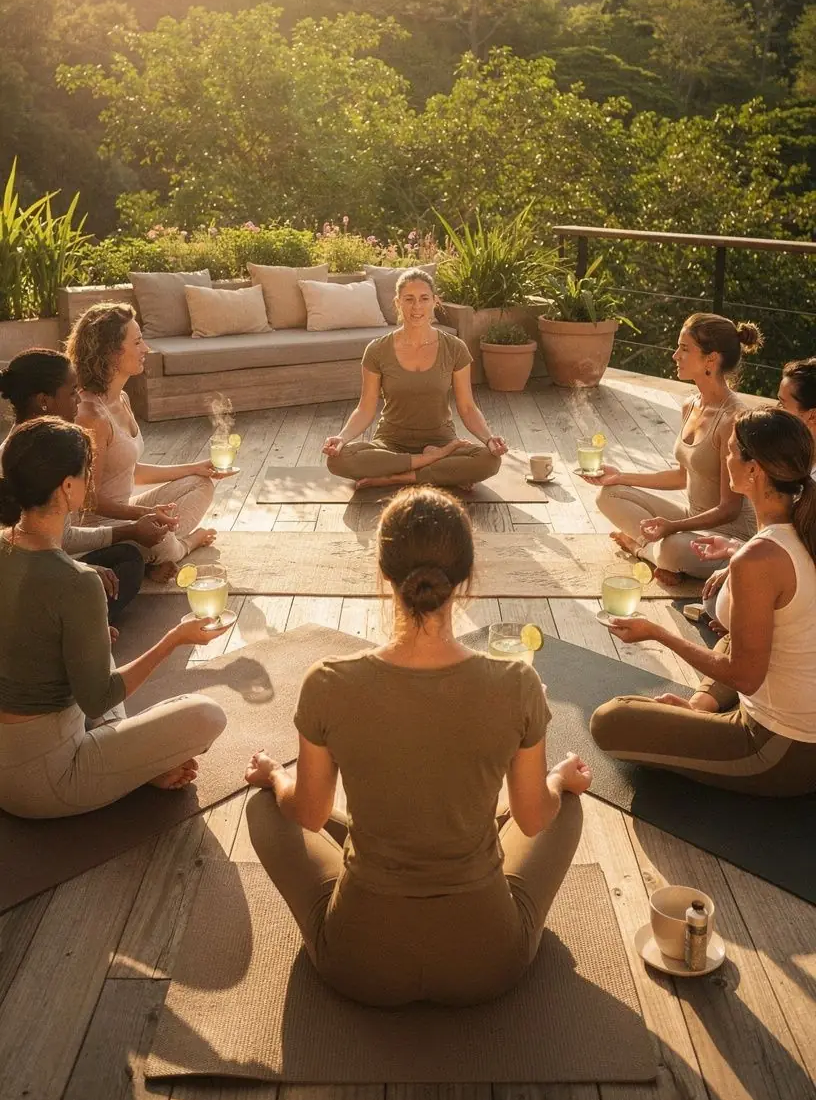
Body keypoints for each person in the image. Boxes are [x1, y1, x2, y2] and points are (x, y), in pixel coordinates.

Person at [243, 486, 590, 1006]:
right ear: (467, 578)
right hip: (488, 961)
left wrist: (273, 776)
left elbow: (310, 813)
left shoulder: (328, 681)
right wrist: (560, 780)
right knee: (565, 809)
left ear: (384, 575)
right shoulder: (516, 681)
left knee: (265, 807)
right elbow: (534, 817)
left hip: (361, 962)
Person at [0, 418, 228, 819]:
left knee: (96, 644)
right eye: (87, 472)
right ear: (67, 487)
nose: (91, 479)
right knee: (207, 714)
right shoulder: (77, 581)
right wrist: (174, 639)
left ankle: (134, 765)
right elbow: (99, 698)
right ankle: (136, 767)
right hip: (47, 781)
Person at [590, 409, 816, 797]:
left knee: (610, 721)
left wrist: (657, 632)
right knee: (734, 634)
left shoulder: (760, 558)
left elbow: (745, 677)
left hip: (780, 749)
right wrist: (735, 549)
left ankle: (701, 709)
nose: (725, 459)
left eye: (731, 452)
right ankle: (701, 705)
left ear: (754, 470)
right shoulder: (801, 527)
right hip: (793, 718)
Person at [586, 313, 763, 582]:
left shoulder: (732, 419)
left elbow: (730, 509)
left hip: (730, 536)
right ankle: (664, 558)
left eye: (684, 348)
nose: (674, 356)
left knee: (671, 548)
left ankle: (645, 551)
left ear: (710, 359)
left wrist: (672, 528)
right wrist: (620, 476)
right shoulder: (690, 405)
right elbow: (682, 476)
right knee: (608, 494)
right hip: (692, 518)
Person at [0, 348, 172, 623]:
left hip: (44, 563)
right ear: (44, 401)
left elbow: (60, 535)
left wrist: (132, 528)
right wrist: (82, 569)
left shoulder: (45, 444)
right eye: (71, 392)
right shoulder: (31, 456)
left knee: (127, 557)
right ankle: (77, 625)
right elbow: (42, 546)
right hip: (25, 581)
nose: (79, 399)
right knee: (124, 564)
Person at [67, 303, 224, 581]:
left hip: (126, 509)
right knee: (164, 542)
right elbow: (87, 502)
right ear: (111, 351)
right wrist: (145, 513)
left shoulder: (122, 400)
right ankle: (182, 546)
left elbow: (129, 470)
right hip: (99, 527)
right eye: (137, 342)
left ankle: (153, 551)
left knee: (200, 484)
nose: (146, 349)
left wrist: (193, 468)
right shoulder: (91, 416)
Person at [321, 268, 508, 490]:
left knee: (489, 460)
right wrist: (341, 439)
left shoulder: (454, 348)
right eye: (409, 299)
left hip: (441, 440)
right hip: (391, 442)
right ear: (397, 302)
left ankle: (397, 477)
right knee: (338, 459)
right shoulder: (377, 350)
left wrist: (489, 439)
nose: (416, 307)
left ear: (434, 302)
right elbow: (365, 408)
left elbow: (467, 407)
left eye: (424, 299)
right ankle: (432, 465)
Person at [692, 357, 816, 616]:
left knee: (720, 602)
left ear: (812, 415)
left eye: (783, 403)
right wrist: (737, 553)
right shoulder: (789, 455)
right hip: (780, 563)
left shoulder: (785, 460)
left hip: (803, 593)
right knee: (717, 597)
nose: (777, 409)